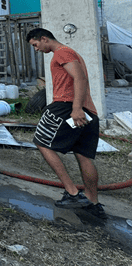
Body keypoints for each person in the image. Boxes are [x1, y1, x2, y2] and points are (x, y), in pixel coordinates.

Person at [25, 28, 106, 218]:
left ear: (44, 39)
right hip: (88, 111)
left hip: (67, 106)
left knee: (41, 141)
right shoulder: (70, 53)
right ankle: (92, 203)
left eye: (35, 45)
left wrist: (76, 108)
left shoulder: (62, 52)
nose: (36, 49)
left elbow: (80, 78)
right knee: (83, 155)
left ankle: (72, 193)